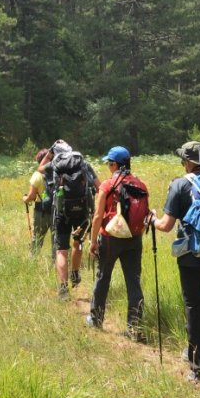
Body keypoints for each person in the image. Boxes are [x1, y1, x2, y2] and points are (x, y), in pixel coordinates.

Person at [151, 140, 200, 385]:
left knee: (193, 307)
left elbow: (165, 225)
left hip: (190, 256)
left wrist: (151, 219)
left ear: (187, 162)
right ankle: (199, 351)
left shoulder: (179, 185)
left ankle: (199, 367)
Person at [86, 145, 150, 340]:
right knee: (133, 281)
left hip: (110, 238)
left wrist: (92, 241)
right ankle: (134, 327)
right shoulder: (141, 185)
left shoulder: (107, 185)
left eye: (109, 163)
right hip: (134, 238)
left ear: (115, 164)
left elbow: (97, 216)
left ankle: (96, 319)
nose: (108, 166)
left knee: (103, 277)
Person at [47, 140, 97, 300]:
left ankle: (63, 288)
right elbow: (99, 185)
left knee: (61, 250)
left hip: (62, 212)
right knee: (78, 242)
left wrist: (49, 152)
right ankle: (75, 273)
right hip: (82, 210)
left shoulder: (55, 165)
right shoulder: (84, 164)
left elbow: (40, 168)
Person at [22, 148, 53, 258]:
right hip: (56, 211)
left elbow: (32, 197)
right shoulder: (57, 173)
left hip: (42, 212)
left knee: (37, 238)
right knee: (56, 240)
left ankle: (32, 261)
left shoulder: (37, 175)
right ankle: (56, 263)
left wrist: (24, 199)